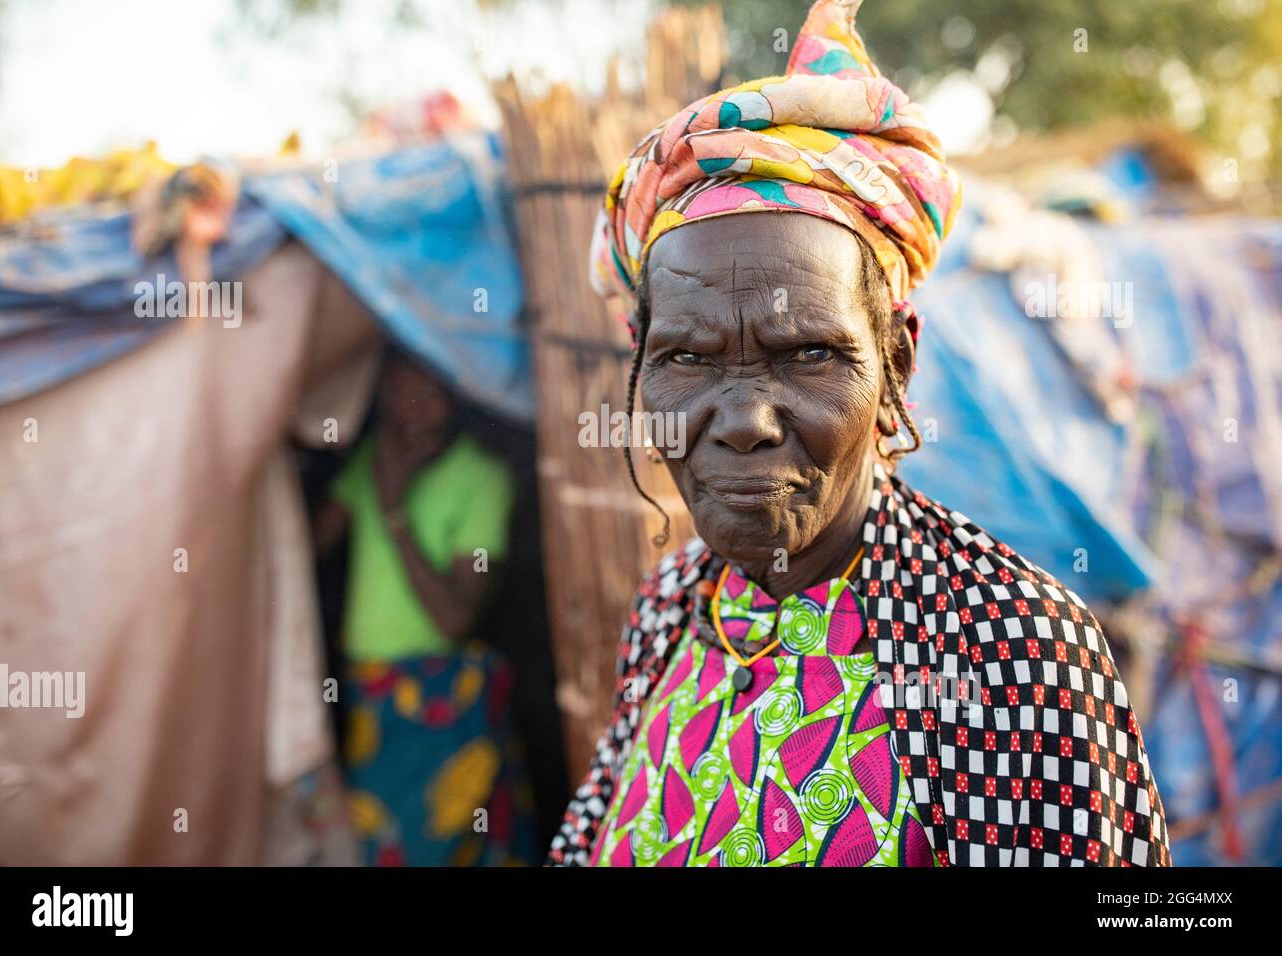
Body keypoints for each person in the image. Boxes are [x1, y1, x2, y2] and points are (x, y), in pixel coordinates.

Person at [549, 0, 1171, 867]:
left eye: (807, 353)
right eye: (687, 359)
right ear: (639, 366)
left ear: (897, 365)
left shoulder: (1007, 651)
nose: (743, 422)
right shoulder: (670, 611)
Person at [316, 350, 533, 866]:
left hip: (441, 696)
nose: (409, 412)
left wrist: (394, 510)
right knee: (380, 843)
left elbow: (454, 619)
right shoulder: (373, 461)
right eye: (396, 395)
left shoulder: (483, 479)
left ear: (455, 397)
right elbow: (307, 548)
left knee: (439, 847)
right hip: (371, 694)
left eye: (425, 397)